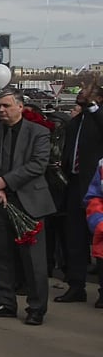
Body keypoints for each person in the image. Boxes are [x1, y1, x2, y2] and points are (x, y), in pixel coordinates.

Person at [0, 90, 55, 326]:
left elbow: (38, 164)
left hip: (29, 204)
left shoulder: (38, 132)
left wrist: (6, 181)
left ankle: (37, 307)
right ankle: (5, 302)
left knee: (33, 261)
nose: (1, 110)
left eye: (6, 106)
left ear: (20, 107)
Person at [58, 85, 103, 305]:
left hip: (98, 188)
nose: (80, 93)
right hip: (75, 185)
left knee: (100, 238)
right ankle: (76, 286)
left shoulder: (98, 118)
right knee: (74, 239)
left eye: (86, 91)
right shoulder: (76, 122)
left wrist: (95, 109)